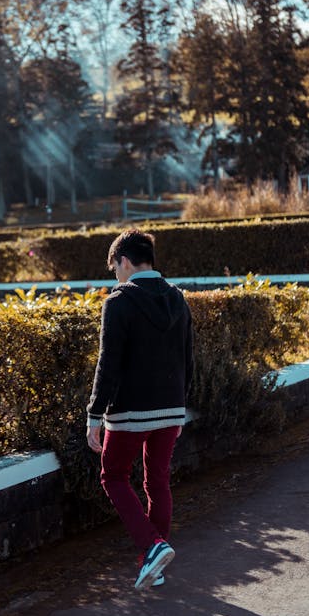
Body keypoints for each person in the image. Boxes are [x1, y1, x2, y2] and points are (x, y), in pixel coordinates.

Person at [86, 229, 193, 590]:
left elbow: (108, 364)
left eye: (115, 267)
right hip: (172, 409)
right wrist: (180, 405)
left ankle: (152, 547)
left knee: (113, 476)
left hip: (131, 412)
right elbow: (187, 359)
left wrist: (94, 415)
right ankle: (155, 566)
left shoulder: (118, 302)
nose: (115, 275)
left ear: (125, 261)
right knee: (157, 481)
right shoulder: (178, 299)